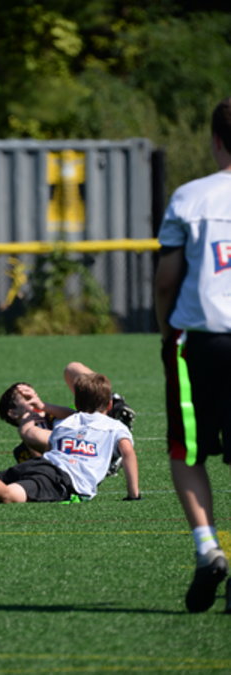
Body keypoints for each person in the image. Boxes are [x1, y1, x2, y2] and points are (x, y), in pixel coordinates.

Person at [154, 97, 231, 613]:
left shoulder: (190, 196)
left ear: (215, 140)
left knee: (187, 452)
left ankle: (208, 549)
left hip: (200, 340)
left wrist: (167, 334)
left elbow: (167, 280)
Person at [0, 371, 140, 506]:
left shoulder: (67, 423)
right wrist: (133, 494)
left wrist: (42, 407)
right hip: (64, 480)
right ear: (109, 405)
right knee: (9, 496)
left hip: (43, 463)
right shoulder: (115, 427)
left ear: (76, 404)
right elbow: (128, 452)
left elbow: (65, 427)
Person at [0, 360, 135, 475]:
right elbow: (42, 467)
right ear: (13, 413)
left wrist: (43, 406)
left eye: (34, 394)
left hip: (101, 423)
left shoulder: (51, 413)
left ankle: (115, 406)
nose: (34, 398)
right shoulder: (22, 450)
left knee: (72, 368)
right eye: (27, 397)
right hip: (84, 454)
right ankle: (110, 459)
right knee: (33, 434)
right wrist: (26, 429)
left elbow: (78, 416)